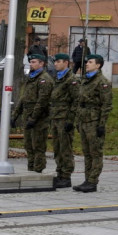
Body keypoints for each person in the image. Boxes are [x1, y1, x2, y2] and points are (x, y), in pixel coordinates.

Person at [73, 54, 113, 193]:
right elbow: (79, 102)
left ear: (98, 65)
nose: (87, 64)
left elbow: (106, 105)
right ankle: (87, 179)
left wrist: (101, 124)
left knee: (95, 152)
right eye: (87, 62)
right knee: (87, 152)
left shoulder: (102, 82)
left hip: (94, 121)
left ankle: (93, 180)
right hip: (84, 120)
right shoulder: (85, 80)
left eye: (90, 62)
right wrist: (77, 120)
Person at [49, 53, 79, 188]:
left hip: (65, 118)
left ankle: (66, 176)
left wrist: (70, 120)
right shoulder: (57, 78)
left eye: (58, 61)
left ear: (66, 63)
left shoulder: (71, 80)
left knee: (65, 148)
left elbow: (76, 101)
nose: (55, 64)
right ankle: (60, 172)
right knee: (57, 147)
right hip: (56, 117)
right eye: (55, 62)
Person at [20, 52, 53, 174]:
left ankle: (38, 170)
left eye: (34, 62)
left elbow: (42, 101)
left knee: (38, 145)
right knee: (28, 144)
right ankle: (31, 168)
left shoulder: (45, 79)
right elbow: (24, 97)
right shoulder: (32, 77)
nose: (31, 64)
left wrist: (33, 118)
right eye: (31, 62)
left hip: (39, 118)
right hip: (28, 115)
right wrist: (16, 114)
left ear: (42, 63)